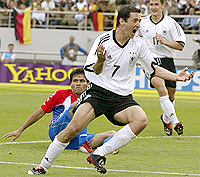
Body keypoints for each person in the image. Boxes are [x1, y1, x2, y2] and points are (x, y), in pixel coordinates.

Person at [16, 5, 194, 175]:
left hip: (122, 98)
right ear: (122, 22)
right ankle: (43, 166)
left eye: (140, 21)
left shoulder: (138, 44)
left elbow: (154, 68)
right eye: (135, 21)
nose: (139, 25)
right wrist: (101, 60)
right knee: (72, 129)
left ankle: (98, 154)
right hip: (98, 93)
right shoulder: (103, 40)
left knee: (141, 120)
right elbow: (94, 69)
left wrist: (177, 76)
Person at [3, 68, 116, 153]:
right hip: (57, 131)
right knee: (76, 106)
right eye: (75, 81)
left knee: (113, 134)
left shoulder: (92, 97)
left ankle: (99, 150)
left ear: (88, 83)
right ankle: (84, 145)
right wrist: (20, 129)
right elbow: (41, 112)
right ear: (71, 83)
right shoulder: (60, 94)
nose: (78, 83)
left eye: (82, 81)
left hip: (77, 137)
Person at [137, 0, 187, 136]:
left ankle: (166, 119)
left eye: (156, 4)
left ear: (162, 6)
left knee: (171, 95)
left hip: (167, 61)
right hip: (150, 61)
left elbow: (181, 45)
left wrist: (164, 41)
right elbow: (134, 37)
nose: (153, 7)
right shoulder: (143, 22)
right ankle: (176, 122)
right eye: (151, 4)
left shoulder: (170, 23)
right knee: (160, 86)